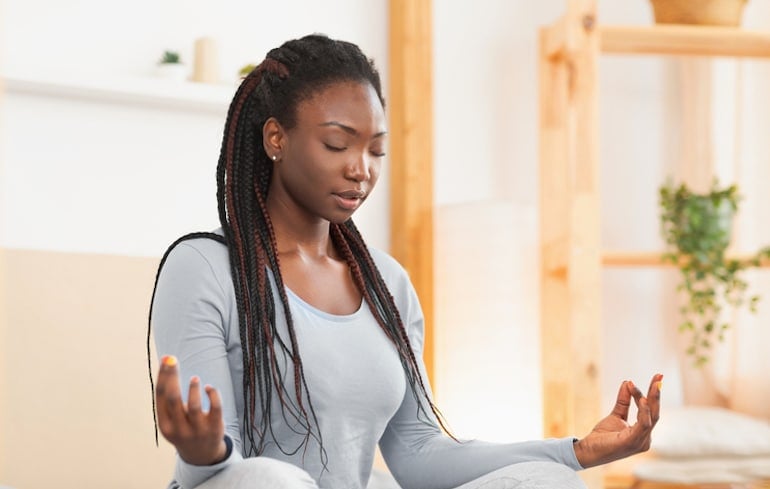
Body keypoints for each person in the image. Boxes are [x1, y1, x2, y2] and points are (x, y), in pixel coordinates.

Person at [148, 34, 662, 489]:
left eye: (376, 151)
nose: (360, 169)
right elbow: (221, 470)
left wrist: (575, 452)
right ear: (276, 138)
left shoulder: (386, 283)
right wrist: (204, 452)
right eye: (336, 143)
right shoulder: (205, 268)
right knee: (265, 479)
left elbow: (420, 454)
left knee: (547, 482)